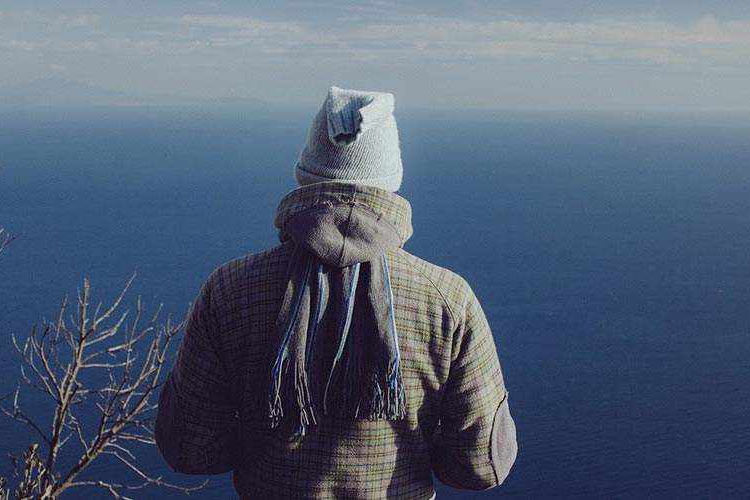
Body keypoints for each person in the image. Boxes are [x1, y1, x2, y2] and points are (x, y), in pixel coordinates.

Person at [155, 86, 517, 499]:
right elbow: (480, 466)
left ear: (306, 173)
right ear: (390, 182)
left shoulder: (230, 289)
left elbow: (191, 450)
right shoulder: (448, 300)